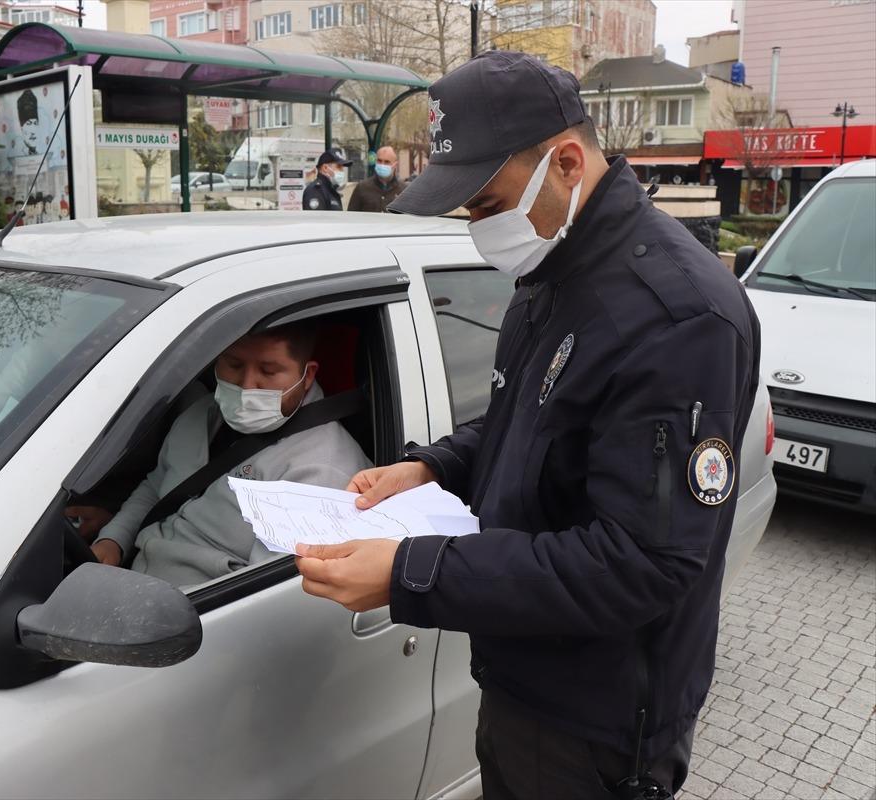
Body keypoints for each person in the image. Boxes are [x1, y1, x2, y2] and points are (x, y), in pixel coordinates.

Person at [294, 52, 760, 800]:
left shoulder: (675, 317)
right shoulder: (553, 271)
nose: (479, 229)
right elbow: (527, 423)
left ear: (566, 163)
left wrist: (411, 572)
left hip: (597, 722)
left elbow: (642, 561)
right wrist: (435, 466)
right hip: (524, 674)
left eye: (488, 205)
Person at [88, 323, 370, 588]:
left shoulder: (321, 471)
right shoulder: (200, 414)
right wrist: (113, 540)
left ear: (307, 376)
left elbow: (260, 591)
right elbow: (157, 485)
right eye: (234, 365)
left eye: (268, 371)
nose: (247, 386)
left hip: (195, 607)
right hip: (131, 580)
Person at [346, 146, 405, 212]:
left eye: (387, 162)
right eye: (379, 161)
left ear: (395, 165)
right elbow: (351, 215)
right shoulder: (362, 187)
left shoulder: (404, 190)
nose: (382, 164)